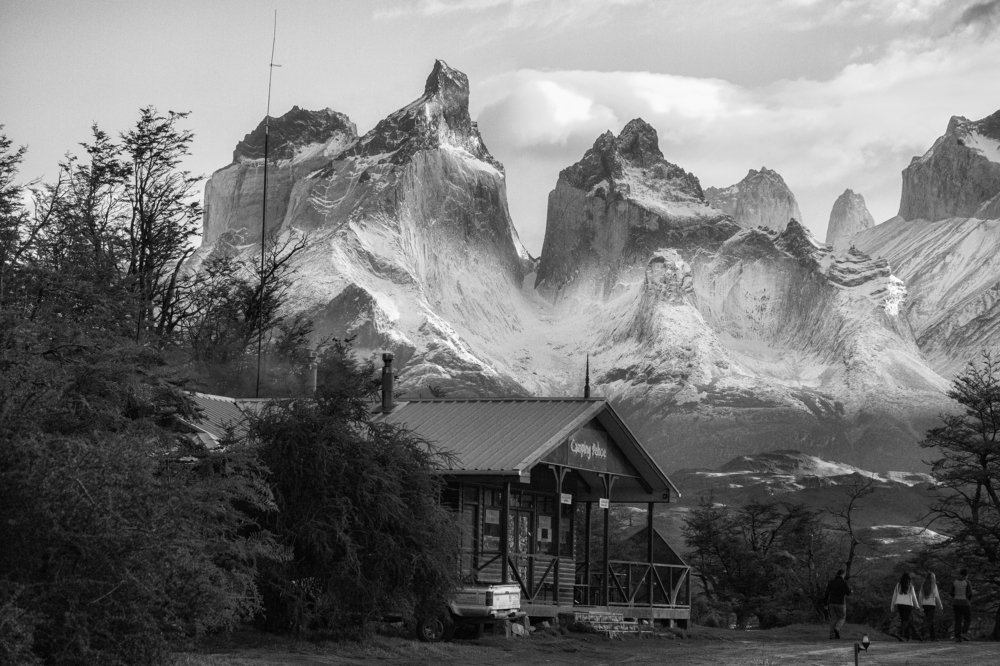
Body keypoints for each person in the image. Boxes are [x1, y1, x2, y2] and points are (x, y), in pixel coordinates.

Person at [890, 572, 920, 641]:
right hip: (908, 605)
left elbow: (894, 596)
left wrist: (892, 606)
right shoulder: (910, 586)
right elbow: (914, 597)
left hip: (900, 605)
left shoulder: (898, 585)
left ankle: (907, 637)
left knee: (905, 620)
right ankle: (900, 633)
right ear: (909, 579)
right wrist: (917, 606)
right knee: (906, 620)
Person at [824, 569, 851, 639]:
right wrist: (851, 591)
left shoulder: (831, 582)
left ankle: (831, 635)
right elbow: (848, 592)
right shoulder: (844, 582)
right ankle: (837, 628)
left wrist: (825, 604)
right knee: (842, 617)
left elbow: (826, 593)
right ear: (843, 574)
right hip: (840, 603)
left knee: (833, 618)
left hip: (831, 602)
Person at [918, 572, 943, 640]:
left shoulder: (923, 584)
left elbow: (920, 596)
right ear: (932, 578)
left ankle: (922, 635)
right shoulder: (934, 585)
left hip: (924, 604)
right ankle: (932, 637)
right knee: (930, 621)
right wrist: (940, 606)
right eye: (934, 577)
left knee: (925, 620)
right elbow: (937, 597)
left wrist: (920, 606)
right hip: (931, 605)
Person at [950, 568, 973, 641]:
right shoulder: (967, 582)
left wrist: (955, 597)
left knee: (958, 620)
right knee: (967, 619)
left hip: (956, 602)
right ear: (966, 575)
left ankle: (957, 636)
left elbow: (951, 592)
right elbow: (970, 593)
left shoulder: (955, 582)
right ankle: (964, 633)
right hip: (965, 602)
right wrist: (968, 599)